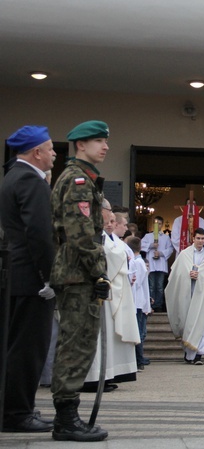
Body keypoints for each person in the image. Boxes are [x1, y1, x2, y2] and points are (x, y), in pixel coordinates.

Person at [49, 120, 111, 441]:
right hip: (78, 275)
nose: (105, 146)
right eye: (98, 141)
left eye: (105, 141)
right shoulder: (77, 181)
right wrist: (99, 271)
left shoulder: (83, 179)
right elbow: (81, 234)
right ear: (80, 145)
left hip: (76, 274)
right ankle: (66, 419)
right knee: (76, 345)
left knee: (78, 344)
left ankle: (68, 415)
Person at [0, 126, 56, 432]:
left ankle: (13, 409)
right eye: (50, 148)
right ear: (36, 152)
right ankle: (18, 412)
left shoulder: (13, 177)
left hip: (19, 274)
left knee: (17, 345)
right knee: (28, 349)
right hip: (32, 277)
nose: (53, 153)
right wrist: (48, 277)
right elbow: (39, 234)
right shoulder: (30, 180)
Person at [83, 203, 139, 390]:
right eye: (109, 220)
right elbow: (110, 254)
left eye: (113, 221)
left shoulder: (112, 239)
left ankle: (108, 373)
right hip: (102, 291)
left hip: (116, 289)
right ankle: (94, 378)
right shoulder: (95, 235)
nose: (110, 224)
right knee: (99, 335)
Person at [165, 228, 204, 365]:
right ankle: (189, 354)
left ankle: (198, 355)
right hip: (187, 293)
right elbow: (176, 273)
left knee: (202, 322)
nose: (200, 241)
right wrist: (188, 274)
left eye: (202, 239)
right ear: (193, 239)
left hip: (202, 294)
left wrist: (200, 275)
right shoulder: (184, 254)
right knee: (187, 321)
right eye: (198, 238)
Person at [126, 236, 151, 371]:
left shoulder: (138, 263)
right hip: (139, 301)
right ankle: (138, 358)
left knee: (139, 332)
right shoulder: (137, 262)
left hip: (138, 301)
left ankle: (139, 359)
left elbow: (137, 283)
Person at [140, 216, 174, 313]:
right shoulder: (148, 236)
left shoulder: (166, 237)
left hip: (161, 264)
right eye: (156, 223)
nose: (157, 225)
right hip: (151, 264)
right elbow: (141, 245)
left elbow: (170, 249)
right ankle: (150, 303)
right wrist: (151, 246)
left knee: (159, 286)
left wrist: (161, 253)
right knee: (151, 285)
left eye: (159, 224)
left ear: (162, 225)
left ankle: (158, 304)